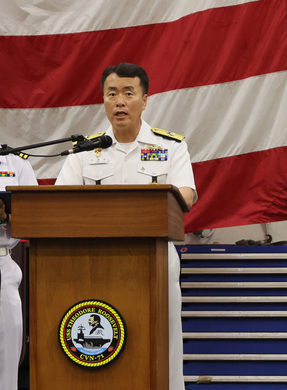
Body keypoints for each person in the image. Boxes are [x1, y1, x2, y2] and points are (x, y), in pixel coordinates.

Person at [55, 62, 196, 390]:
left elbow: (185, 197)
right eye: (112, 93)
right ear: (103, 100)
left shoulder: (170, 147)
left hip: (157, 261)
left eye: (128, 93)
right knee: (101, 350)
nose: (119, 101)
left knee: (162, 347)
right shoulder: (85, 151)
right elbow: (60, 204)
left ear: (144, 100)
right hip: (93, 263)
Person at [0, 153, 38, 390]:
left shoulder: (16, 164)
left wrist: (5, 218)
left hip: (1, 265)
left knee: (6, 356)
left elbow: (37, 220)